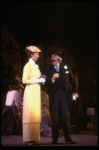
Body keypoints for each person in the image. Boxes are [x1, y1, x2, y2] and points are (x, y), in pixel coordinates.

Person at [45, 48, 78, 144]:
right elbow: (45, 83)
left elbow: (73, 81)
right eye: (51, 57)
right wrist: (52, 78)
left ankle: (67, 138)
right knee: (55, 117)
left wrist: (75, 92)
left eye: (54, 56)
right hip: (54, 95)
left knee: (65, 117)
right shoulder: (48, 69)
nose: (52, 58)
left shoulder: (66, 67)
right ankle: (54, 139)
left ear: (59, 58)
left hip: (64, 95)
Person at [22, 46, 45, 146]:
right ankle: (28, 139)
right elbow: (24, 80)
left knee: (35, 114)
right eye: (37, 54)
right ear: (31, 55)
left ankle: (34, 137)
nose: (38, 56)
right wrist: (37, 80)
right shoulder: (28, 65)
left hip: (36, 91)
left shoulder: (36, 66)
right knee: (30, 114)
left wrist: (41, 80)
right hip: (30, 92)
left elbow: (37, 77)